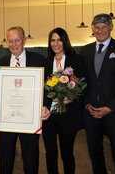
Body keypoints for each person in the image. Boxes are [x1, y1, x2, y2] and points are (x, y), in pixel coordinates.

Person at [80, 13, 115, 173]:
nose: (100, 30)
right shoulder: (85, 51)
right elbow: (82, 82)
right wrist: (87, 104)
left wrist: (111, 107)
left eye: (104, 27)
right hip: (91, 112)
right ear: (92, 29)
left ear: (111, 27)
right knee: (95, 154)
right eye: (96, 27)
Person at [0, 26, 45, 174]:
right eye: (10, 41)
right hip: (7, 120)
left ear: (24, 40)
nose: (13, 44)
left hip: (29, 118)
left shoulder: (38, 60)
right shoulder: (0, 62)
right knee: (5, 158)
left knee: (31, 159)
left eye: (17, 40)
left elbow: (46, 87)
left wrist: (44, 106)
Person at [42, 27, 85, 174]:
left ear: (65, 41)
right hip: (49, 115)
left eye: (59, 39)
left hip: (69, 115)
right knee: (50, 154)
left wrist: (71, 97)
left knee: (67, 153)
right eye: (52, 40)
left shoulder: (76, 60)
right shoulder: (46, 62)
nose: (56, 43)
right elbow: (42, 89)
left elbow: (84, 86)